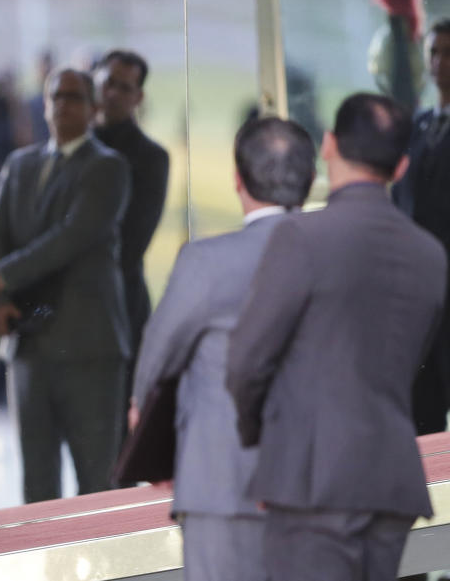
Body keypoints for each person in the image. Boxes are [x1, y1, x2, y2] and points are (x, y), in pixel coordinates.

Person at [226, 93, 446, 581]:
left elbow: (245, 362)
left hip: (312, 482)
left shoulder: (301, 238)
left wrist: (257, 441)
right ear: (403, 164)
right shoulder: (430, 255)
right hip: (391, 479)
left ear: (328, 144)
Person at [130, 117, 316, 581]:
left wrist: (150, 436)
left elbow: (156, 362)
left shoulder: (206, 262)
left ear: (237, 179)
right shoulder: (346, 256)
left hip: (221, 482)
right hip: (326, 481)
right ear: (311, 177)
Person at [0, 68, 131, 503]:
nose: (62, 104)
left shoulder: (109, 168)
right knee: (37, 487)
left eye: (74, 97)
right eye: (55, 96)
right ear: (43, 104)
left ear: (94, 108)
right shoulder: (20, 164)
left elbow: (72, 237)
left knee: (96, 485)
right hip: (26, 347)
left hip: (89, 347)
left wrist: (2, 276)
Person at [92, 50, 169, 392]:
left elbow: (132, 242)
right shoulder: (67, 146)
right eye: (108, 82)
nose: (112, 94)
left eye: (124, 88)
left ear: (138, 97)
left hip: (121, 306)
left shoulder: (151, 158)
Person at [393, 18, 450, 435]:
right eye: (434, 52)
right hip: (419, 289)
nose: (440, 62)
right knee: (421, 401)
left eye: (449, 53)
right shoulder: (418, 125)